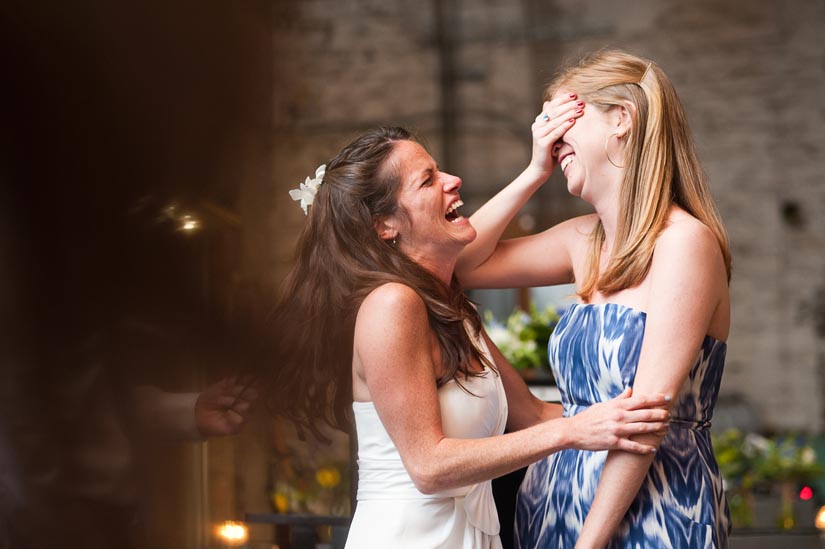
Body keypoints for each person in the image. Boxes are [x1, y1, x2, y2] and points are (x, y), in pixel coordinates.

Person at [268, 125, 672, 549]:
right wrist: (574, 432)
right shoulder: (391, 305)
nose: (453, 180)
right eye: (428, 180)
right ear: (385, 224)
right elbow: (428, 466)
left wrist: (638, 416)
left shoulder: (452, 310)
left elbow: (533, 415)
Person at [455, 50, 732, 548]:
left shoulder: (684, 243)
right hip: (555, 502)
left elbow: (646, 422)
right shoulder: (582, 240)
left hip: (651, 507)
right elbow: (459, 264)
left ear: (622, 119)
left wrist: (590, 542)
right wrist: (534, 171)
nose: (551, 136)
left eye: (562, 119)